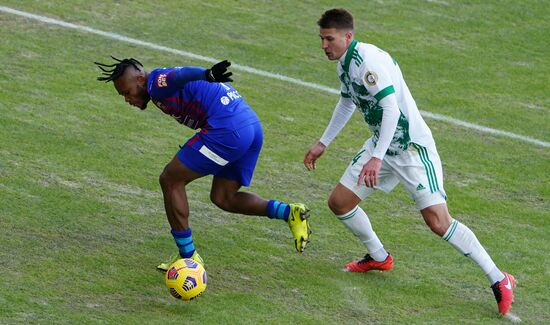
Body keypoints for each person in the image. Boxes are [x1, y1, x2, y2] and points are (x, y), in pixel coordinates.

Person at [303, 8, 515, 316]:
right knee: (339, 202)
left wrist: (375, 159)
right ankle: (378, 256)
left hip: (411, 149)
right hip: (383, 146)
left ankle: (500, 278)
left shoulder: (368, 64)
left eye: (329, 39)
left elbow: (391, 110)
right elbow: (347, 101)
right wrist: (324, 142)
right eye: (321, 39)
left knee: (438, 222)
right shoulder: (345, 65)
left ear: (347, 36)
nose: (324, 45)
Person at [94, 57, 311, 270]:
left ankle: (188, 259)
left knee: (170, 180)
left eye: (126, 92)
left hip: (227, 130)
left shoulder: (155, 82)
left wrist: (206, 74)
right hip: (251, 128)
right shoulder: (157, 86)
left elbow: (180, 75)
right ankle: (289, 212)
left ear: (140, 79)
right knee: (223, 197)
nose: (126, 99)